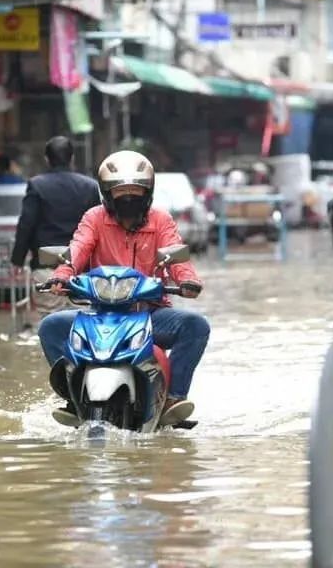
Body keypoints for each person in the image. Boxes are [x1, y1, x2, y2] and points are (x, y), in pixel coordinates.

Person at [38, 150, 210, 427]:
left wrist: (187, 280)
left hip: (150, 314)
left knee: (196, 325)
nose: (128, 197)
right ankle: (73, 394)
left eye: (135, 190)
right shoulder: (94, 218)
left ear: (148, 191)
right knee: (51, 326)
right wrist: (62, 275)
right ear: (107, 193)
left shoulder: (161, 220)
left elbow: (176, 254)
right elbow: (78, 248)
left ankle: (174, 398)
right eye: (120, 191)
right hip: (99, 314)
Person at [11, 137, 100, 323]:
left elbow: (26, 225)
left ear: (47, 159)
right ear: (72, 158)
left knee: (50, 321)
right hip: (81, 270)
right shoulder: (90, 186)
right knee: (85, 322)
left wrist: (17, 261)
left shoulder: (37, 185)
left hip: (47, 268)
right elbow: (99, 229)